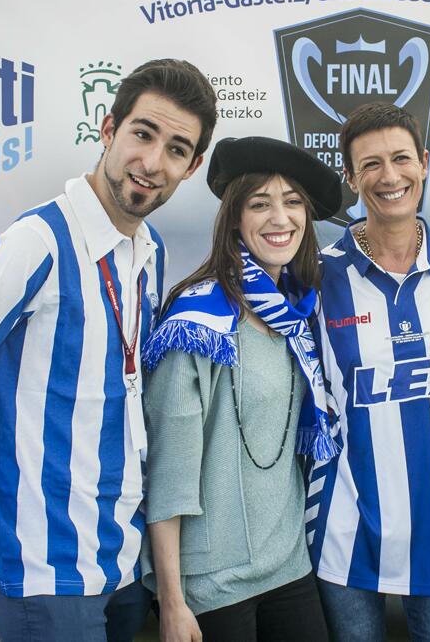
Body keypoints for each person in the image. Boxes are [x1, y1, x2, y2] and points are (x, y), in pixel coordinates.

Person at [0, 58, 218, 641]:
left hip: (120, 558)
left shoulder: (149, 252)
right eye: (142, 134)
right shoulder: (37, 242)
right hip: (42, 567)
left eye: (176, 149)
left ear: (192, 166)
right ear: (108, 129)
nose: (152, 163)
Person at [140, 136, 341, 642]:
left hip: (288, 565)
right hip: (211, 583)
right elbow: (169, 475)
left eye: (293, 202)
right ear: (234, 219)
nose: (281, 218)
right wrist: (172, 602)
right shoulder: (198, 321)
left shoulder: (296, 316)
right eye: (260, 204)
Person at [307, 103, 430, 642]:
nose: (389, 177)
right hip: (346, 531)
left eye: (401, 159)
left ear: (425, 163)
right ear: (350, 177)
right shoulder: (315, 277)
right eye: (371, 164)